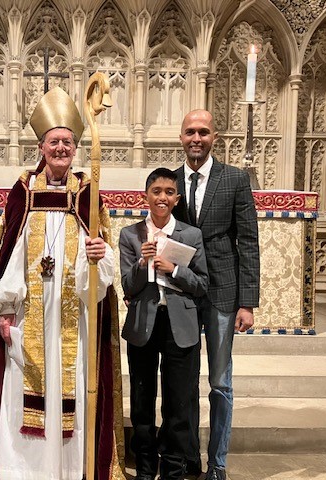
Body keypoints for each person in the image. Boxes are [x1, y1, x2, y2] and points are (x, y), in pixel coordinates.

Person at [0, 86, 125, 480]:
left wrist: (98, 256)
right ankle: (27, 471)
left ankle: (74, 469)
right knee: (28, 386)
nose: (61, 149)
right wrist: (5, 308)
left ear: (75, 149)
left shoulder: (88, 193)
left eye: (68, 143)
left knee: (74, 385)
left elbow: (105, 258)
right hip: (32, 310)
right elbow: (10, 253)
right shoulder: (25, 191)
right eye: (54, 142)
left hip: (76, 314)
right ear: (41, 146)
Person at [172, 109, 260, 480]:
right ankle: (189, 457)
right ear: (180, 137)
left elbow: (249, 241)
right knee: (184, 380)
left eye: (203, 132)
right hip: (184, 291)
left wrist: (247, 302)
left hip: (223, 291)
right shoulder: (171, 181)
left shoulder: (235, 179)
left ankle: (218, 464)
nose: (196, 138)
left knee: (220, 382)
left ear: (215, 137)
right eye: (190, 132)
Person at [119, 167, 208, 480]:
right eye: (156, 191)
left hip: (179, 324)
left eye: (169, 192)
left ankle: (173, 468)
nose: (162, 198)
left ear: (176, 198)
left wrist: (173, 269)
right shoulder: (131, 234)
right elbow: (127, 287)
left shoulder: (190, 234)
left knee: (177, 401)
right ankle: (145, 468)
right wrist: (143, 263)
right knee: (142, 400)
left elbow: (201, 284)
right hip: (144, 323)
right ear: (146, 196)